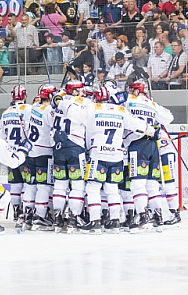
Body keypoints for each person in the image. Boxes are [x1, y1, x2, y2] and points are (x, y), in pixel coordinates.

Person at [81, 85, 149, 234]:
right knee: (112, 189)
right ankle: (115, 222)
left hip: (98, 154)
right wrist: (151, 129)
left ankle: (95, 221)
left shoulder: (92, 108)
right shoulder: (121, 111)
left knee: (93, 187)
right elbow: (139, 125)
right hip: (117, 155)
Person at [123, 79, 174, 231]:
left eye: (132, 89)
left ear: (136, 90)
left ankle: (142, 215)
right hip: (153, 145)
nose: (130, 92)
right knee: (152, 184)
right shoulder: (151, 104)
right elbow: (169, 118)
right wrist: (153, 107)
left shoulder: (128, 102)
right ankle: (157, 216)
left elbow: (124, 119)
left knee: (137, 183)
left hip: (137, 144)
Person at [50, 80, 90, 233]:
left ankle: (58, 219)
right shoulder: (82, 103)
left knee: (60, 184)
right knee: (78, 185)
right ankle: (73, 219)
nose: (82, 93)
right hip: (75, 147)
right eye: (79, 90)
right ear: (74, 91)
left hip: (58, 147)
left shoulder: (58, 100)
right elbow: (87, 119)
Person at [20, 85, 57, 231]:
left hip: (31, 151)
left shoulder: (33, 106)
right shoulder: (49, 111)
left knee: (30, 184)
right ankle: (40, 217)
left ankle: (27, 215)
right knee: (44, 186)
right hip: (44, 152)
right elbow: (54, 125)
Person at [0, 86, 29, 223]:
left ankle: (16, 212)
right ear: (25, 96)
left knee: (15, 184)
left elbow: (1, 136)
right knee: (28, 183)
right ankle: (25, 212)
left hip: (10, 154)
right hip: (24, 153)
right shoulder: (28, 109)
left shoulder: (5, 113)